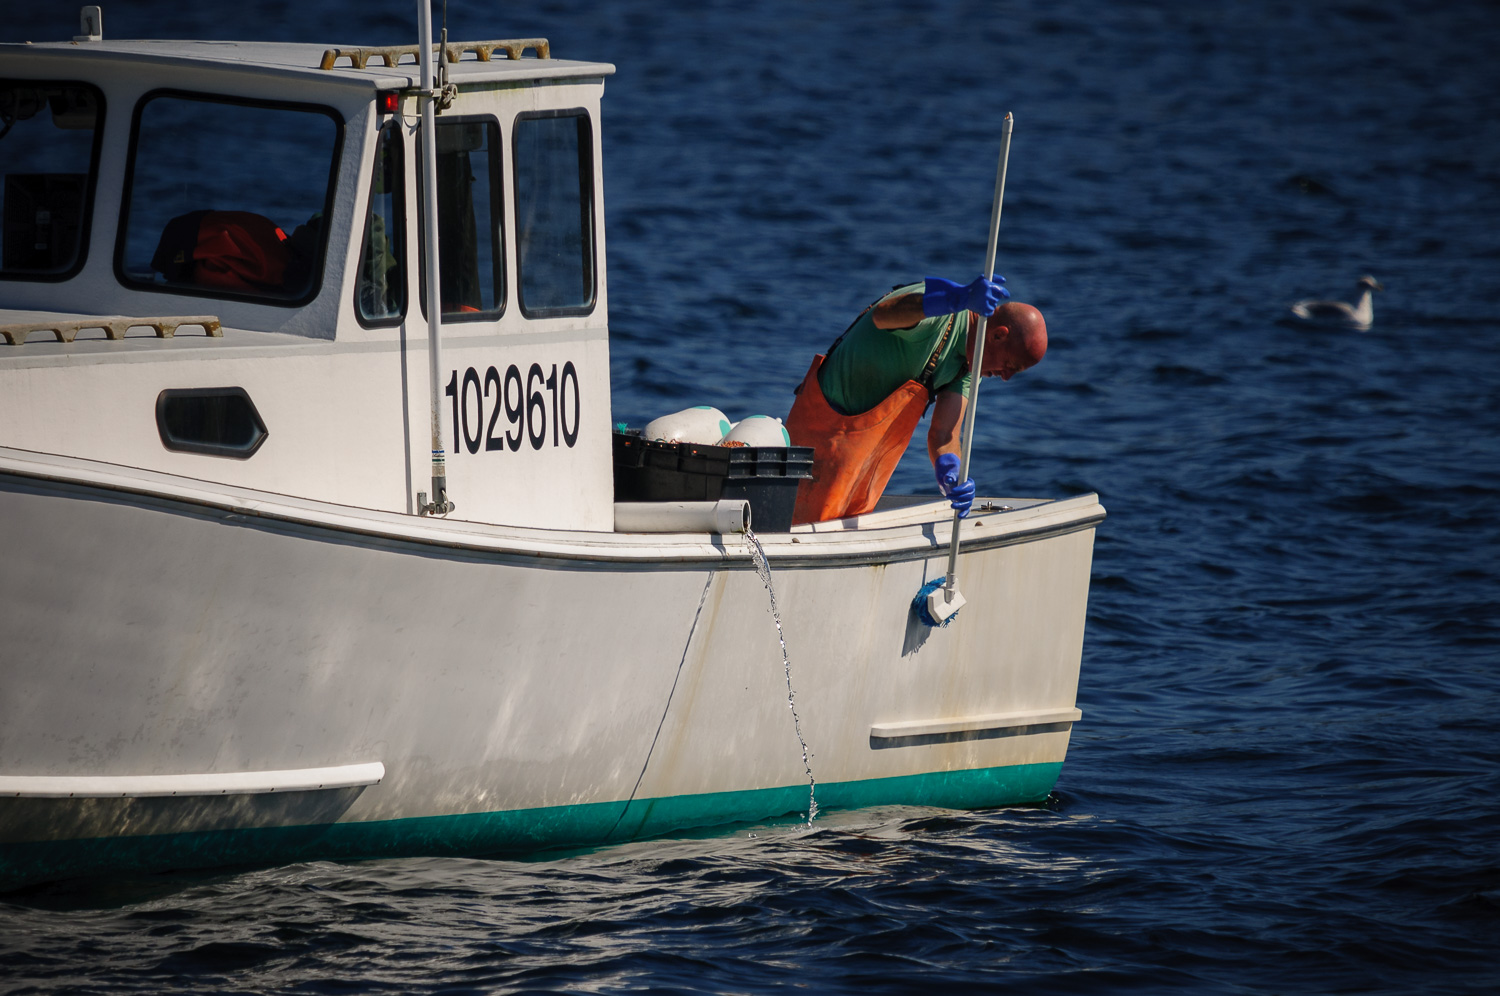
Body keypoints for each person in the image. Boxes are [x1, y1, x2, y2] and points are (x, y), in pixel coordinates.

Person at [785, 275, 1048, 524]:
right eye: (1011, 365)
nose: (1006, 378)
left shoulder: (968, 368)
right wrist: (957, 297)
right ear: (998, 335)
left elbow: (944, 434)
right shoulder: (939, 312)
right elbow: (884, 314)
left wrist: (951, 473)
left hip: (859, 470)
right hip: (815, 443)